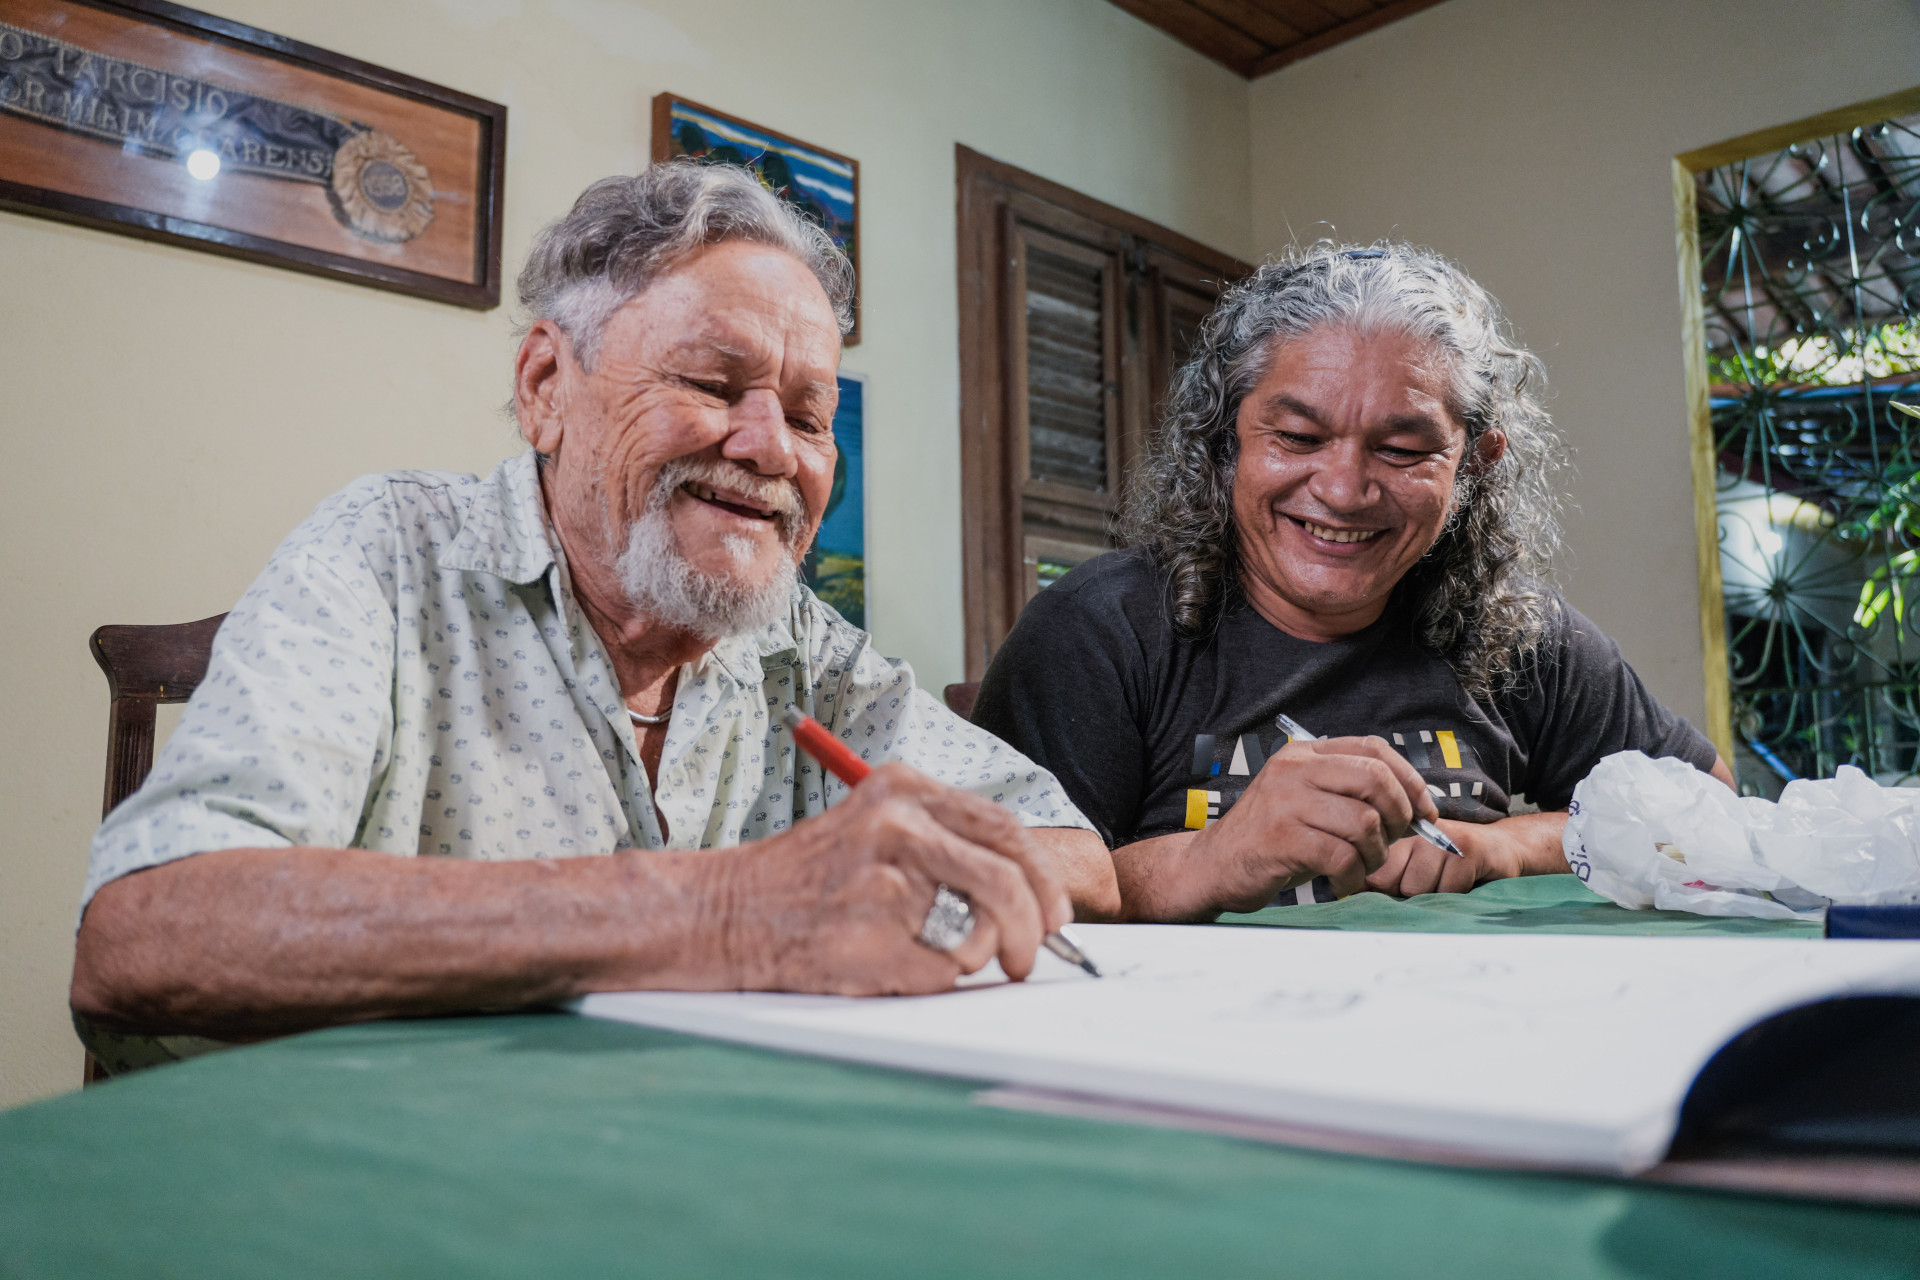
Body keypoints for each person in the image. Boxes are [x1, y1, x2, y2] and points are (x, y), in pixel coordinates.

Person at [72, 163, 1116, 1062]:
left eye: (809, 416)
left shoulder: (794, 637)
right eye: (712, 381)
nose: (771, 448)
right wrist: (727, 911)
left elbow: (1069, 851)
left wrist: (915, 877)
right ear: (544, 386)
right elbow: (148, 929)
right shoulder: (388, 553)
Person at [971, 242, 1732, 923]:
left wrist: (1502, 847)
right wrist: (1213, 857)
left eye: (1401, 449)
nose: (1342, 490)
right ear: (1226, 440)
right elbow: (993, 882)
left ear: (1474, 464)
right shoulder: (1098, 629)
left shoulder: (1515, 630)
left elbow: (1709, 812)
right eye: (1298, 437)